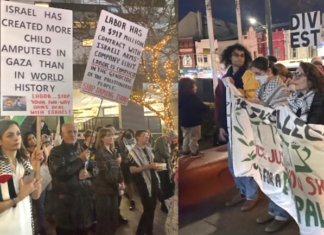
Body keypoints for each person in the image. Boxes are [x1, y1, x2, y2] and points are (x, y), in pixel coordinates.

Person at [248, 57, 291, 233]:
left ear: (268, 71)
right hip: (267, 140)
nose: (256, 77)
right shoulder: (264, 87)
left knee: (279, 177)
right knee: (270, 176)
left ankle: (282, 215)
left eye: (258, 74)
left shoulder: (281, 89)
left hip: (278, 140)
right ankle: (273, 210)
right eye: (254, 74)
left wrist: (260, 104)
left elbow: (280, 112)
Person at [217, 43, 259, 211]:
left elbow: (252, 99)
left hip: (244, 126)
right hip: (230, 125)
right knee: (233, 164)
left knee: (244, 161)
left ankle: (251, 195)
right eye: (236, 55)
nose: (239, 58)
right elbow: (221, 102)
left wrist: (235, 87)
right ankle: (242, 192)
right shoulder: (226, 75)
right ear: (229, 57)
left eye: (242, 55)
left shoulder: (248, 75)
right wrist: (221, 126)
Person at [48, 122, 98, 235]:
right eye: (69, 132)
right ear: (62, 134)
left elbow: (96, 169)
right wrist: (80, 160)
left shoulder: (83, 150)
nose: (72, 134)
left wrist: (89, 174)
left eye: (75, 131)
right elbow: (60, 173)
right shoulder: (56, 152)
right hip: (66, 204)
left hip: (85, 202)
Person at [0, 120, 42, 235]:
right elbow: (23, 195)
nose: (16, 138)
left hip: (25, 226)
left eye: (18, 134)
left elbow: (35, 195)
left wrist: (35, 167)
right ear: (0, 141)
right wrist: (19, 197)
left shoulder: (24, 163)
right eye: (10, 135)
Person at [92, 128, 124, 235]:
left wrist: (121, 181)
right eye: (107, 135)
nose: (111, 137)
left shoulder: (112, 151)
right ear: (101, 138)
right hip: (103, 189)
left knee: (113, 217)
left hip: (112, 189)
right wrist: (117, 184)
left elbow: (117, 168)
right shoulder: (100, 152)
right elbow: (104, 172)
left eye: (112, 135)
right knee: (104, 220)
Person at [128, 130, 160, 235]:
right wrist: (147, 166)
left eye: (147, 135)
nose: (147, 137)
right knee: (148, 207)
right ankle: (140, 232)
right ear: (138, 137)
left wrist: (156, 166)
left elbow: (152, 163)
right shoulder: (133, 152)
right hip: (143, 182)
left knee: (153, 206)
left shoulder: (148, 149)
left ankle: (148, 230)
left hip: (153, 179)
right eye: (144, 136)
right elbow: (132, 169)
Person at [23, 131, 51, 235]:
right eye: (29, 139)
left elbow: (47, 163)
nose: (32, 140)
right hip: (28, 181)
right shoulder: (24, 153)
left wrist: (45, 154)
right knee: (29, 206)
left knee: (40, 205)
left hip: (41, 181)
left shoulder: (41, 150)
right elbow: (26, 170)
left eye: (33, 137)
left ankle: (41, 228)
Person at [179, 78, 210, 158]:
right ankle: (194, 152)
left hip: (184, 122)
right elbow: (202, 107)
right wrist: (208, 107)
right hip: (194, 122)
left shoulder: (180, 98)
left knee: (186, 136)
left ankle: (185, 151)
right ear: (190, 88)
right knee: (194, 137)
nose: (196, 87)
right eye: (194, 86)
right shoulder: (193, 98)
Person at [153, 129, 178, 213]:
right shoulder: (162, 139)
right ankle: (164, 205)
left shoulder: (167, 141)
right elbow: (164, 152)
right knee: (164, 185)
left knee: (167, 185)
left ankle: (167, 204)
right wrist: (170, 157)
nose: (175, 140)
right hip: (161, 166)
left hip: (165, 165)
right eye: (175, 138)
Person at [119, 129, 136, 210]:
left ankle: (130, 195)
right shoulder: (122, 141)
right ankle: (132, 199)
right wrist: (126, 157)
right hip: (126, 163)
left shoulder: (135, 140)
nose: (129, 134)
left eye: (130, 133)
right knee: (128, 181)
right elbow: (120, 151)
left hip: (135, 162)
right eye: (127, 133)